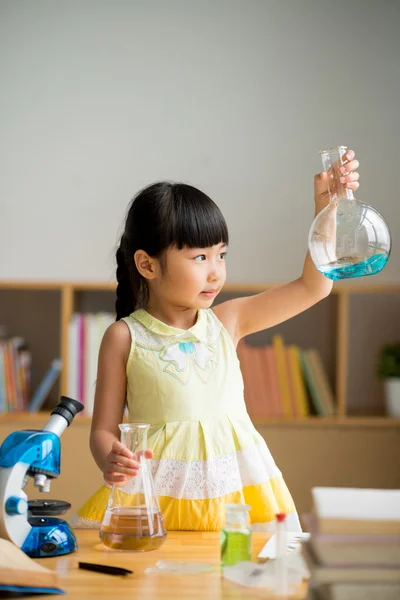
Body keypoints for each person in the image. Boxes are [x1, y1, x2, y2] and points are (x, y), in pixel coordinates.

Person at [70, 150, 360, 531]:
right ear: (147, 265)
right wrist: (112, 457)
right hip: (157, 504)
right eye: (199, 258)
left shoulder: (227, 321)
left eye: (221, 255)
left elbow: (314, 287)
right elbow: (103, 432)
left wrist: (327, 211)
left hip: (238, 501)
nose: (215, 272)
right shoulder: (124, 337)